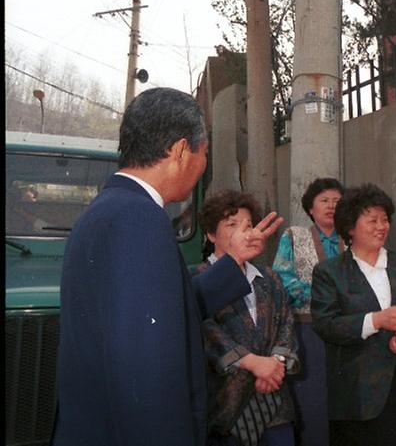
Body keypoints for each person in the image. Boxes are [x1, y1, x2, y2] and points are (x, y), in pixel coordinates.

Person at [53, 87, 284, 446]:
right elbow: (148, 373)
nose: (203, 164)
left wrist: (234, 257)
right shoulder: (139, 220)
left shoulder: (110, 209)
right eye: (204, 152)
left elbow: (165, 311)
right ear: (179, 151)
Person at [311, 183, 396, 446]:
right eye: (372, 220)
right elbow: (326, 324)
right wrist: (376, 320)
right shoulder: (329, 273)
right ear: (350, 227)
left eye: (385, 220)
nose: (381, 226)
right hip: (357, 397)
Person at [195, 190, 299, 446]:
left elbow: (286, 324)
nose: (245, 232)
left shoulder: (270, 279)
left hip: (274, 402)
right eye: (232, 225)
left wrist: (274, 365)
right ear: (210, 234)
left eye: (249, 225)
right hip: (225, 406)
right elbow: (204, 331)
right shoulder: (196, 277)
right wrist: (250, 362)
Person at [271, 177, 345, 446]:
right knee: (312, 402)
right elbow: (281, 279)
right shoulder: (294, 235)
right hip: (307, 330)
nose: (331, 206)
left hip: (347, 331)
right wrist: (325, 294)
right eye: (324, 201)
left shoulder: (353, 239)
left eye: (337, 201)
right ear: (311, 209)